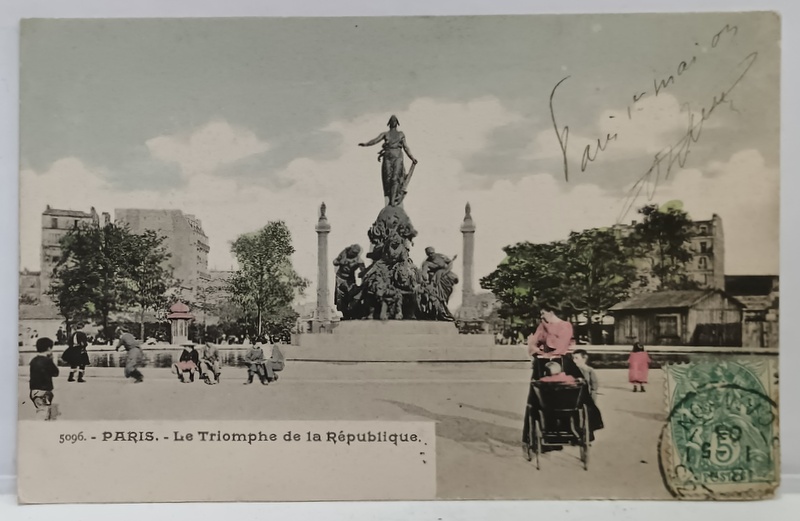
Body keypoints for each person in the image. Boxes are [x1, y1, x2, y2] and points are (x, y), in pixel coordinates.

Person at [359, 115, 419, 207]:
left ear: (397, 123)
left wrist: (412, 157)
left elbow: (406, 147)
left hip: (398, 157)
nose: (393, 122)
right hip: (387, 157)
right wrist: (366, 144)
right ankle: (389, 200)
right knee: (388, 179)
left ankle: (392, 202)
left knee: (395, 178)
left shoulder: (401, 134)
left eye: (395, 121)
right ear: (389, 123)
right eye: (392, 121)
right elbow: (375, 140)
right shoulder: (385, 134)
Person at [29, 337, 59, 421]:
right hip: (44, 391)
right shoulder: (47, 361)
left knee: (41, 411)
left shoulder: (33, 360)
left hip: (34, 391)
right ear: (49, 348)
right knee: (43, 414)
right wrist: (52, 360)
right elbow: (55, 373)